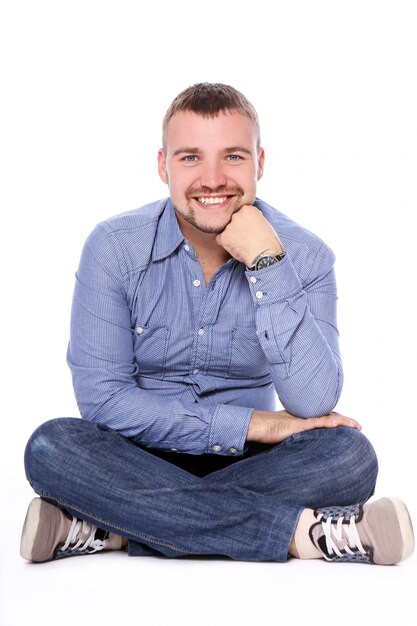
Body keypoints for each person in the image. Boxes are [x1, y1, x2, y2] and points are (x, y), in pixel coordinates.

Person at [20, 82, 413, 565]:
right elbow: (104, 401)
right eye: (189, 158)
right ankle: (303, 536)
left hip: (245, 464)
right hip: (137, 455)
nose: (212, 179)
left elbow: (313, 401)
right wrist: (256, 424)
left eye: (232, 157)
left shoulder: (306, 256)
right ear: (163, 165)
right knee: (52, 446)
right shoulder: (113, 248)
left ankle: (115, 527)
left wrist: (268, 264)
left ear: (259, 163)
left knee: (349, 456)